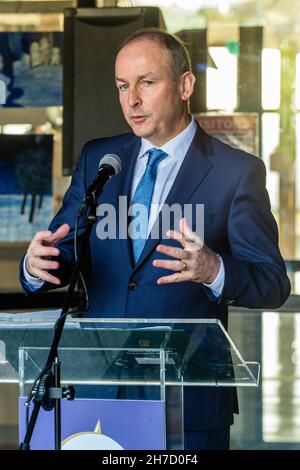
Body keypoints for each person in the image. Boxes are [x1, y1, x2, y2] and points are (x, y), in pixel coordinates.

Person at [20, 28, 290, 450]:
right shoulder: (99, 159)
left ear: (185, 86)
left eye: (147, 82)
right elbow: (62, 252)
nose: (132, 100)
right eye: (123, 86)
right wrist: (36, 266)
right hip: (99, 394)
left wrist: (213, 269)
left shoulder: (235, 172)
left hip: (188, 403)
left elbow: (273, 284)